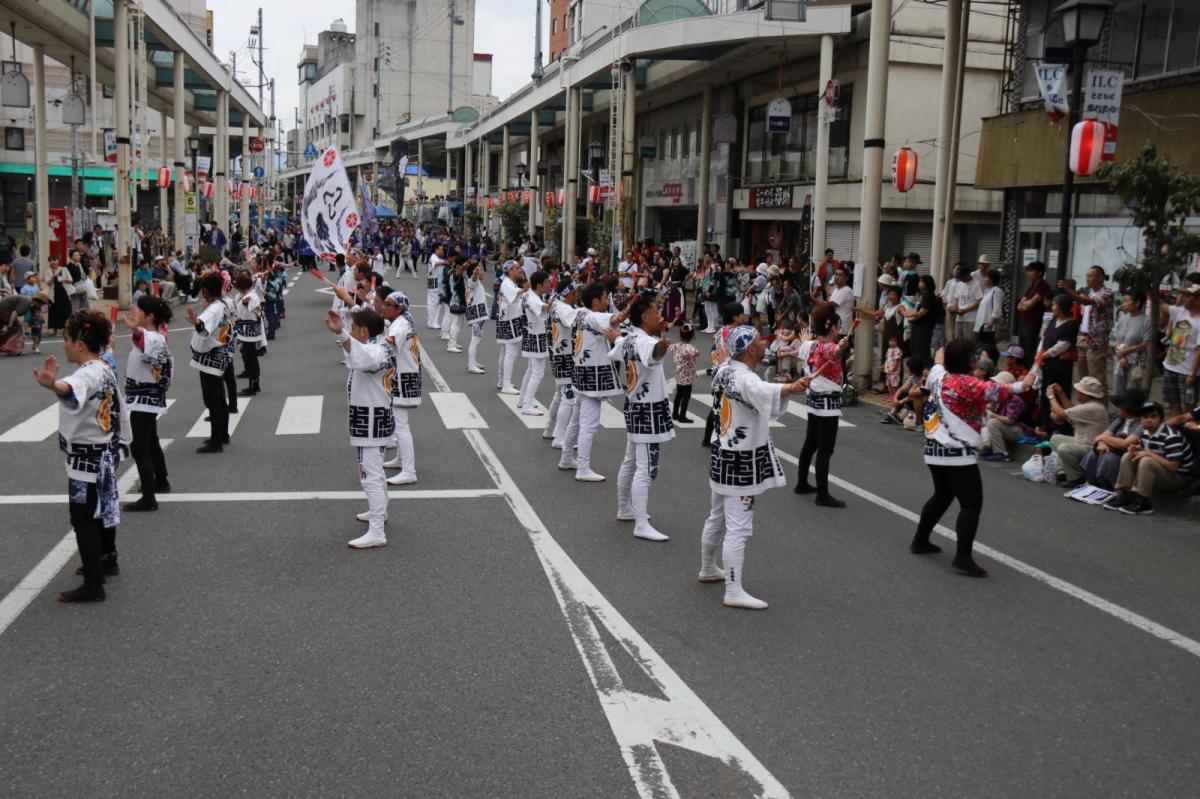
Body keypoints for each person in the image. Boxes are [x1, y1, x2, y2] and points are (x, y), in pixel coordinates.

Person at [701, 325, 812, 610]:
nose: (765, 343)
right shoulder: (743, 378)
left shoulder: (725, 369)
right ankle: (733, 590)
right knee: (739, 527)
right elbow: (762, 391)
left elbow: (757, 390)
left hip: (721, 452)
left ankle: (708, 567)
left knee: (717, 516)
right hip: (740, 458)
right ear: (750, 349)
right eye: (761, 340)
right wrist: (792, 387)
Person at [910, 338, 1036, 577]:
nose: (979, 359)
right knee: (971, 504)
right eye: (975, 356)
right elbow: (1000, 390)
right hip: (957, 452)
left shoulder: (938, 375)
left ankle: (920, 540)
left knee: (942, 494)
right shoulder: (967, 383)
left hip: (934, 448)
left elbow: (938, 357)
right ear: (969, 360)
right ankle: (963, 557)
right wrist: (1023, 384)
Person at [32, 310, 122, 602]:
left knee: (83, 518)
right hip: (103, 451)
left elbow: (73, 390)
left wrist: (52, 384)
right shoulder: (105, 366)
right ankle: (107, 561)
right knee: (100, 512)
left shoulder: (88, 373)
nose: (64, 345)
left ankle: (94, 585)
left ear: (80, 345)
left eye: (67, 340)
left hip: (87, 459)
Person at [325, 308, 396, 547]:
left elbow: (364, 360)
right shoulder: (378, 345)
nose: (352, 333)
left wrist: (343, 335)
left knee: (370, 477)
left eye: (355, 329)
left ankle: (377, 530)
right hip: (372, 417)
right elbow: (359, 356)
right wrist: (346, 334)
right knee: (375, 474)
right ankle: (380, 513)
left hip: (372, 420)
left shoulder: (377, 351)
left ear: (364, 332)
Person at [609, 295, 675, 542]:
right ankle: (640, 523)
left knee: (631, 461)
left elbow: (616, 350)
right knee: (645, 468)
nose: (660, 315)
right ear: (645, 317)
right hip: (648, 409)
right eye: (656, 311)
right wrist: (663, 344)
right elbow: (652, 350)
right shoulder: (646, 342)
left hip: (635, 405)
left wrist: (615, 338)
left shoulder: (629, 340)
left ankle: (625, 508)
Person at [562, 283, 629, 481]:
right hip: (593, 375)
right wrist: (629, 309)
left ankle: (566, 457)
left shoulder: (579, 313)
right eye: (605, 298)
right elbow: (615, 319)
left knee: (576, 419)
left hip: (581, 371)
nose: (607, 301)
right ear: (595, 301)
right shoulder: (592, 316)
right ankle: (583, 468)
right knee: (588, 424)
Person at [794, 302, 851, 507]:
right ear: (833, 327)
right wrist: (842, 346)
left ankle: (802, 482)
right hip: (827, 403)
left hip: (813, 400)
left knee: (810, 443)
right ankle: (822, 494)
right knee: (825, 449)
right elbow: (834, 351)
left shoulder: (810, 345)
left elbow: (807, 347)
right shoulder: (828, 347)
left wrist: (807, 340)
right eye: (838, 325)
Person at [121, 295, 174, 512]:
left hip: (143, 398)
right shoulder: (158, 335)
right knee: (151, 441)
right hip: (146, 396)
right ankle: (161, 480)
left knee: (139, 446)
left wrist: (135, 330)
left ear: (149, 316)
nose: (137, 314)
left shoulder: (152, 337)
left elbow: (143, 341)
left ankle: (149, 496)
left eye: (140, 310)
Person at [1104, 402, 1197, 516]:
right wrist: (1137, 449)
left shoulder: (1171, 436)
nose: (1149, 420)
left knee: (1147, 461)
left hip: (1179, 478)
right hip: (1162, 471)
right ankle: (1125, 493)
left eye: (1153, 417)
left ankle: (1142, 501)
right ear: (1140, 420)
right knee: (1128, 455)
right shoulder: (1145, 433)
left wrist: (1149, 453)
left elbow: (1173, 466)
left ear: (1161, 419)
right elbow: (1147, 451)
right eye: (1145, 417)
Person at [186, 271, 234, 454]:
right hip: (221, 353)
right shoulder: (225, 303)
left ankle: (216, 441)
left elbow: (204, 327)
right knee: (219, 397)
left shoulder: (215, 308)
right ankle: (222, 434)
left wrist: (195, 322)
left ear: (206, 290)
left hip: (212, 357)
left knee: (213, 399)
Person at [381, 291, 421, 486]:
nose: (384, 307)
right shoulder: (404, 320)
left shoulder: (400, 324)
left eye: (388, 304)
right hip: (405, 374)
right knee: (399, 423)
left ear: (399, 308)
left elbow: (390, 342)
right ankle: (401, 460)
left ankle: (409, 470)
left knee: (401, 424)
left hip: (402, 376)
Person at [1058, 265, 1115, 394]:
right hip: (1083, 338)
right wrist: (1071, 288)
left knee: (1097, 378)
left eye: (1090, 276)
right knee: (1083, 379)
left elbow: (1086, 301)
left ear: (1100, 278)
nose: (1087, 279)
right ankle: (1086, 406)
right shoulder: (1089, 292)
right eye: (1087, 276)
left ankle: (1101, 409)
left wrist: (1069, 289)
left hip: (1096, 341)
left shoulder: (1106, 293)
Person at [1047, 376, 1110, 486]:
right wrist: (1061, 394)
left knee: (1064, 448)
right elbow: (1070, 410)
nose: (1077, 392)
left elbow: (1061, 414)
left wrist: (1051, 397)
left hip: (1091, 447)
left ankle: (1076, 476)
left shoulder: (1093, 407)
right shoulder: (1090, 405)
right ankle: (1063, 472)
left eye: (1080, 391)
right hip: (1081, 443)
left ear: (1086, 394)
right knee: (1055, 439)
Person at [1080, 390, 1145, 490]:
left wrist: (1104, 439)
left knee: (1108, 458)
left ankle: (1109, 486)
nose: (1118, 409)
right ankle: (1090, 482)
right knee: (1093, 454)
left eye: (1121, 407)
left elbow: (1125, 443)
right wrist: (1102, 443)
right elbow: (1100, 437)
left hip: (1124, 455)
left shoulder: (1141, 424)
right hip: (1110, 449)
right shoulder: (1120, 420)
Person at [1037, 294, 1080, 437]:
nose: (1053, 307)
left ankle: (1058, 427)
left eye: (1055, 304)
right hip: (1047, 365)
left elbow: (1063, 345)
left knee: (1057, 395)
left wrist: (1045, 355)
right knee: (1045, 395)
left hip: (1059, 367)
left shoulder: (1070, 325)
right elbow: (1044, 339)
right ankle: (1045, 425)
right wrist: (1040, 355)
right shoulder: (1053, 320)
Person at [545, 281, 582, 445]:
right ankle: (560, 437)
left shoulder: (556, 304)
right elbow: (575, 322)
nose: (578, 295)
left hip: (557, 352)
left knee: (559, 394)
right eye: (576, 292)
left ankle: (550, 428)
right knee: (569, 396)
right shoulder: (564, 308)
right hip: (565, 355)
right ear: (569, 293)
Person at [1159, 284, 1200, 418]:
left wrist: (1192, 374)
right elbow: (1160, 305)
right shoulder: (1180, 312)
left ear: (1198, 299)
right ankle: (1177, 433)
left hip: (1187, 371)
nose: (1183, 298)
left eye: (1188, 296)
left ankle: (1192, 435)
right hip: (1171, 366)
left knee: (1189, 406)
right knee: (1173, 403)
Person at [517, 270, 553, 416]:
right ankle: (526, 404)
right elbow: (542, 308)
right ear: (539, 285)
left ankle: (523, 400)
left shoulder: (531, 295)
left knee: (532, 370)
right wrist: (551, 302)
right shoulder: (532, 297)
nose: (549, 285)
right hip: (536, 336)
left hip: (533, 334)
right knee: (537, 372)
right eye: (546, 283)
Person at [495, 261, 528, 394]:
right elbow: (518, 293)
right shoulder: (507, 283)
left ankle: (502, 380)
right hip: (509, 320)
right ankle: (506, 384)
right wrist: (525, 288)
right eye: (517, 268)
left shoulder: (509, 283)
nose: (519, 270)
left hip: (505, 319)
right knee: (511, 352)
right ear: (510, 271)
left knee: (505, 351)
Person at [1111, 290, 1150, 397]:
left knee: (1132, 391)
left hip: (1136, 362)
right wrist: (1121, 355)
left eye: (1127, 301)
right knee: (1118, 391)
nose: (1124, 304)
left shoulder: (1147, 321)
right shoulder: (1122, 318)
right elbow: (1118, 339)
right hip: (1120, 360)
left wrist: (1126, 351)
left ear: (1137, 303)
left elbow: (1145, 343)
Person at [231, 272, 264, 396]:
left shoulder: (252, 297)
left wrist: (246, 304)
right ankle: (253, 382)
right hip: (243, 328)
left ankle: (254, 384)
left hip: (249, 329)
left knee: (251, 358)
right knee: (247, 356)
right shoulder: (243, 295)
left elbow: (257, 313)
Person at [1016, 261, 1052, 364]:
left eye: (1031, 271)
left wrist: (1026, 304)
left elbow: (1030, 304)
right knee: (1021, 349)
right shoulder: (1031, 286)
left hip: (1033, 322)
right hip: (1023, 321)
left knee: (1029, 350)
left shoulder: (1043, 286)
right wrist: (1025, 304)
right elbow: (1019, 305)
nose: (1028, 273)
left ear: (1039, 273)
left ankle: (1028, 371)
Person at [902, 274, 944, 359]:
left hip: (924, 326)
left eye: (922, 281)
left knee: (922, 348)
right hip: (918, 325)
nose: (919, 283)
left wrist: (913, 318)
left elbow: (923, 311)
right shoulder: (923, 295)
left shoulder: (928, 295)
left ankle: (924, 366)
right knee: (915, 347)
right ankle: (916, 366)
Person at [0, 290, 48, 355]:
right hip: (4, 310)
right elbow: (15, 312)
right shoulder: (27, 301)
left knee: (8, 330)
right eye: (41, 304)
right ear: (38, 302)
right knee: (17, 329)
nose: (41, 306)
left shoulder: (29, 302)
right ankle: (15, 350)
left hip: (4, 310)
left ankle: (5, 346)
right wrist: (10, 323)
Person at [670, 324, 699, 423]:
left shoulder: (676, 345)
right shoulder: (689, 347)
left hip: (679, 373)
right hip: (687, 374)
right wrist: (696, 352)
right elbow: (694, 353)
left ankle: (674, 414)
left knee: (679, 394)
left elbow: (671, 347)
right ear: (691, 336)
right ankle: (682, 416)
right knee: (686, 396)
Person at [464, 260, 489, 374]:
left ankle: (472, 361)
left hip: (477, 314)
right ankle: (471, 365)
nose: (483, 273)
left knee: (477, 338)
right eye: (481, 270)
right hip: (477, 315)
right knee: (475, 339)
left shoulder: (474, 282)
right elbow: (474, 278)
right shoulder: (473, 281)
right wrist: (475, 273)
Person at [949, 263, 983, 344]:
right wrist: (955, 308)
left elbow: (979, 301)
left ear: (968, 274)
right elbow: (957, 298)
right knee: (958, 341)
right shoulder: (960, 284)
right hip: (959, 318)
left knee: (969, 342)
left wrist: (966, 310)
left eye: (962, 277)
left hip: (971, 319)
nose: (962, 280)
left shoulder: (976, 284)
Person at [974, 269, 1004, 348]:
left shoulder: (997, 291)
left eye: (986, 277)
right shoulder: (987, 291)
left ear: (991, 279)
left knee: (988, 347)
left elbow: (997, 308)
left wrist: (992, 322)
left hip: (989, 326)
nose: (984, 279)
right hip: (982, 325)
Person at [426, 243, 447, 330]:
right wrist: (446, 261)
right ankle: (432, 322)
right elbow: (437, 263)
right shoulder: (433, 257)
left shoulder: (436, 257)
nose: (442, 251)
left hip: (435, 282)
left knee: (436, 303)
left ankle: (434, 321)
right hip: (433, 283)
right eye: (441, 249)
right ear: (436, 250)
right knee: (433, 303)